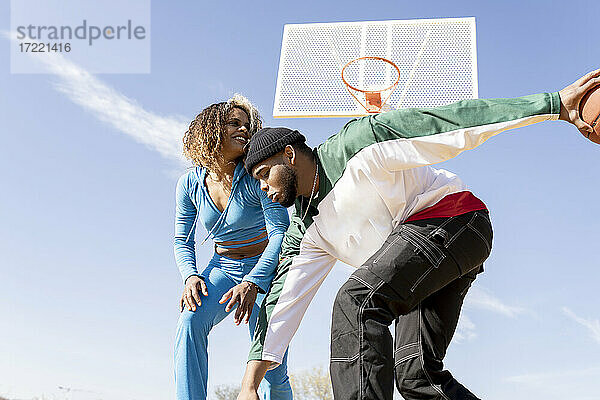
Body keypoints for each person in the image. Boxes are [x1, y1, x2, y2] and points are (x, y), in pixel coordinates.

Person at [236, 70, 600, 400]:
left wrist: (551, 104)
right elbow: (283, 303)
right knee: (416, 374)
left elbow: (450, 123)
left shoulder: (358, 144)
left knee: (357, 301)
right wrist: (249, 385)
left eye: (265, 173)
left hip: (456, 220)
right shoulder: (305, 232)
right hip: (425, 260)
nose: (264, 187)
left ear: (289, 154)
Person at [174, 94, 293, 400]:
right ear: (212, 129)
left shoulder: (258, 176)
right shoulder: (189, 184)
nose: (244, 130)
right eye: (234, 123)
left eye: (247, 125)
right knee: (190, 321)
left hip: (266, 268)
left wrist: (255, 280)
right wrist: (190, 275)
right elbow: (182, 239)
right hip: (221, 267)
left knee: (271, 365)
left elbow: (281, 231)